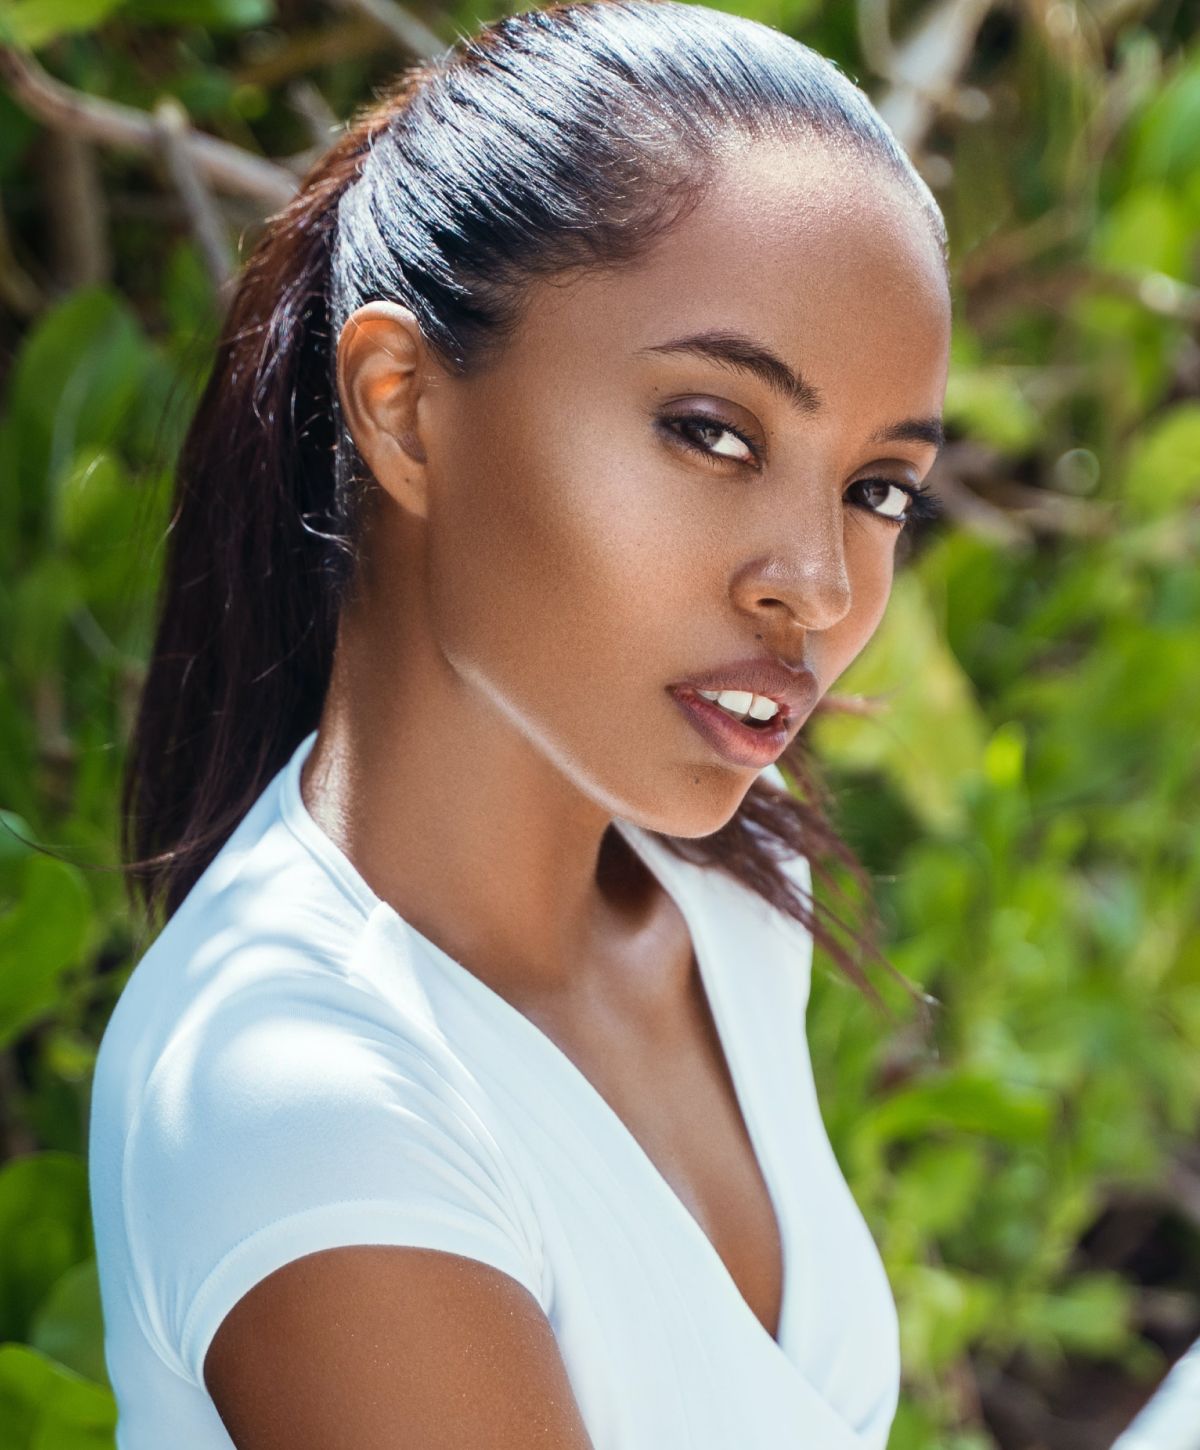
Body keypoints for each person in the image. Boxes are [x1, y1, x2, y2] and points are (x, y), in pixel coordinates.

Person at [88, 1, 951, 1445]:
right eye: (713, 430)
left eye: (877, 489)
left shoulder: (724, 904)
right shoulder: (298, 1100)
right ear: (404, 405)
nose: (812, 584)